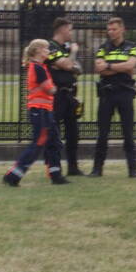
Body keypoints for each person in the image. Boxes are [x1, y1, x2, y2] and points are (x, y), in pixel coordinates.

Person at [2, 39, 68, 186]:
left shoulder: (41, 67)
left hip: (45, 110)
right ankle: (13, 175)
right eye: (46, 49)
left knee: (54, 141)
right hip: (40, 111)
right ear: (38, 50)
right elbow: (49, 89)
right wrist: (55, 88)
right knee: (38, 142)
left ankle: (56, 174)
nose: (49, 51)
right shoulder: (37, 68)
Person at [91, 17, 136, 178]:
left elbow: (131, 66)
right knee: (102, 133)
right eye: (109, 29)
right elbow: (100, 69)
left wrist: (109, 66)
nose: (110, 32)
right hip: (107, 93)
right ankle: (97, 169)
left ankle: (133, 169)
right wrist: (121, 68)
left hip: (125, 92)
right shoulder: (103, 47)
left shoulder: (131, 46)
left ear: (122, 29)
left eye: (114, 29)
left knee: (128, 132)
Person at [47, 17, 85, 176]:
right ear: (62, 29)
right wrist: (73, 55)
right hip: (58, 95)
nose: (71, 33)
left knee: (73, 133)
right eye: (69, 29)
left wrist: (67, 64)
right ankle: (53, 168)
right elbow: (70, 65)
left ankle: (73, 167)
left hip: (70, 94)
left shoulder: (64, 49)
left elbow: (78, 68)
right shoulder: (50, 47)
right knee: (54, 133)